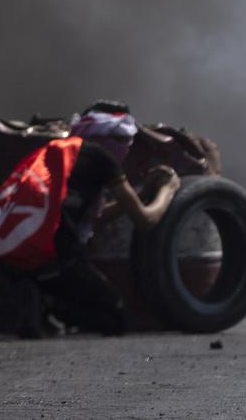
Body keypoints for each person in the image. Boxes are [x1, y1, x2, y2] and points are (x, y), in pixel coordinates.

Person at [12, 101, 181, 337]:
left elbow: (93, 219)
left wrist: (139, 196)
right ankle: (50, 308)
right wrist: (168, 189)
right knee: (116, 319)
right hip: (56, 257)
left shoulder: (57, 150)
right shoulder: (102, 160)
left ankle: (36, 293)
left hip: (13, 252)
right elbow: (145, 220)